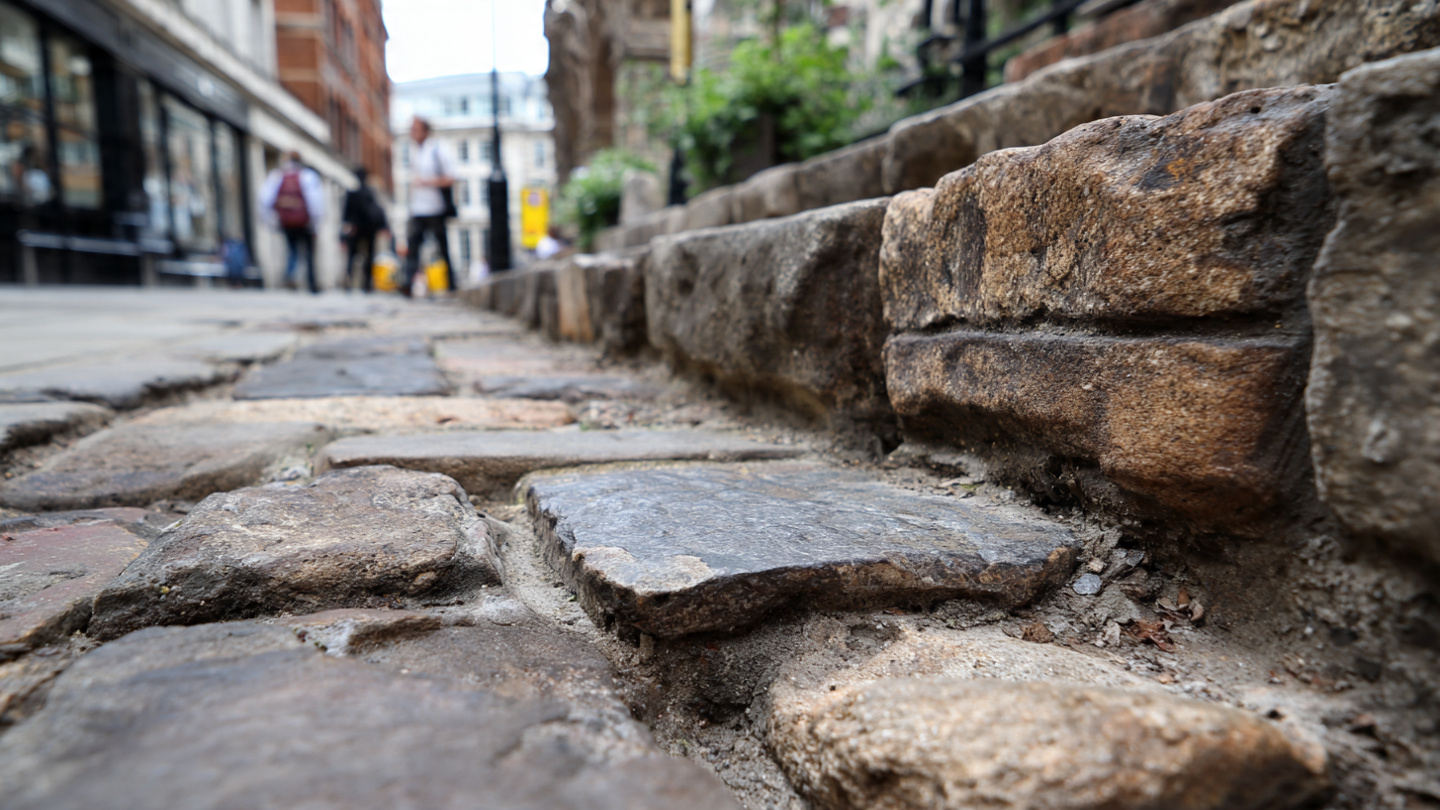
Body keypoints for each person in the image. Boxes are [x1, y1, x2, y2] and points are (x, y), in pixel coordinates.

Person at [401, 116, 456, 295]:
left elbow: (451, 178)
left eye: (415, 129)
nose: (412, 133)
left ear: (425, 131)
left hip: (435, 208)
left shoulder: (437, 150)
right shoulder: (416, 152)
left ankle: (451, 284)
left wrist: (427, 182)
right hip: (418, 208)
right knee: (413, 246)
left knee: (442, 246)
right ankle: (408, 283)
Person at [259, 150, 325, 293]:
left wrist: (268, 219)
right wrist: (316, 221)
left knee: (292, 249)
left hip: (287, 221)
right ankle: (311, 282)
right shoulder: (308, 176)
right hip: (305, 221)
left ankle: (291, 275)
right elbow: (315, 201)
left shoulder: (277, 176)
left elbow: (264, 199)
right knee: (308, 252)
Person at [340, 167, 389, 292]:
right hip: (370, 229)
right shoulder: (370, 192)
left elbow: (346, 215)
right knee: (369, 255)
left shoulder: (352, 193)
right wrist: (383, 227)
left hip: (355, 229)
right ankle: (367, 283)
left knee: (352, 256)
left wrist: (343, 233)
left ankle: (349, 279)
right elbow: (379, 210)